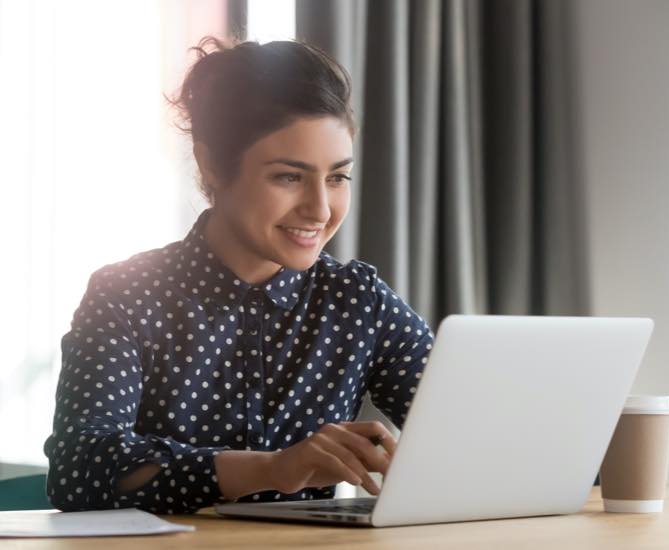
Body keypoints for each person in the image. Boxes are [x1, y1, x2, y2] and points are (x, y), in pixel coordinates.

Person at [43, 37, 434, 514]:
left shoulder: (358, 301)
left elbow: (470, 431)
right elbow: (80, 470)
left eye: (337, 177)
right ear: (211, 164)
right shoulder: (126, 294)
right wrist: (273, 469)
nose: (320, 209)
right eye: (288, 177)